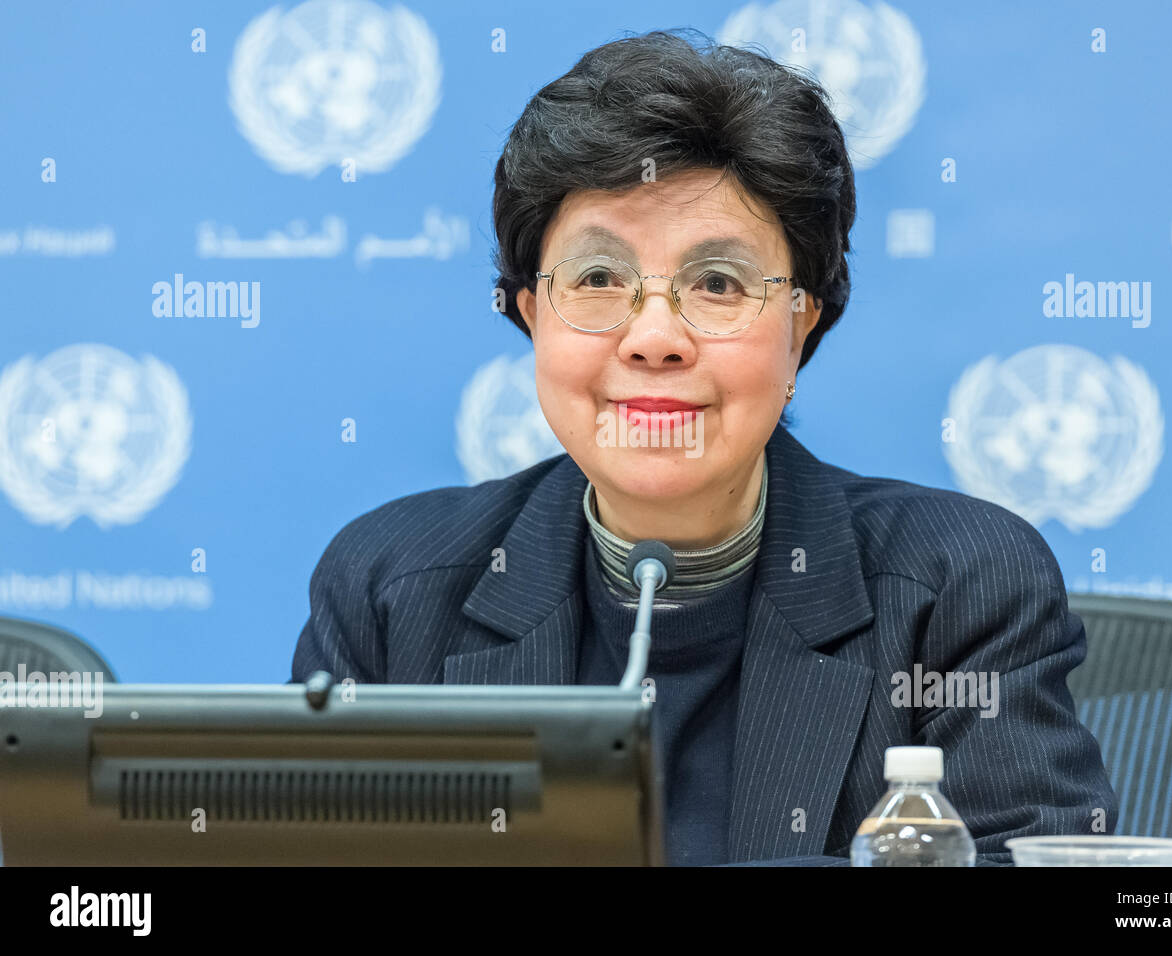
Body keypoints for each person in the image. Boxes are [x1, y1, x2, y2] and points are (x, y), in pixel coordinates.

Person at [292, 28, 1118, 866]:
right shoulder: (394, 589)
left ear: (803, 324)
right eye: (599, 280)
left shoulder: (957, 588)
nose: (655, 337)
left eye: (718, 284)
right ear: (529, 314)